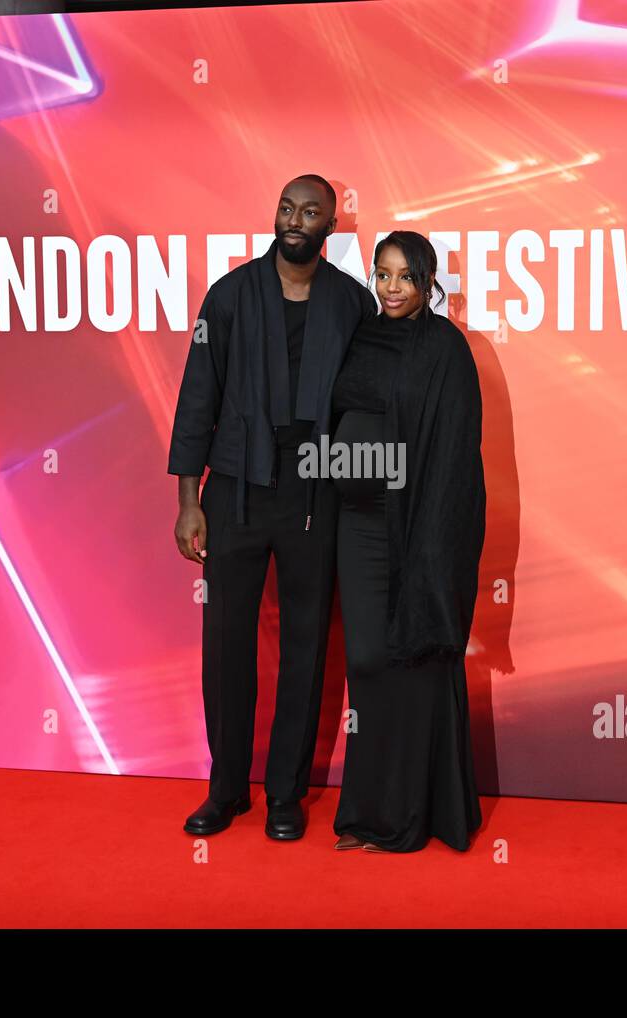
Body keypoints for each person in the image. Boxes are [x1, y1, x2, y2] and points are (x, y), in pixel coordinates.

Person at [168, 175, 377, 840]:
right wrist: (188, 502)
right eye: (287, 208)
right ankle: (226, 790)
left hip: (315, 493)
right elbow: (196, 398)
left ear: (329, 224)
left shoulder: (351, 305)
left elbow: (366, 408)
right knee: (226, 644)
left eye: (309, 211)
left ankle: (287, 795)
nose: (294, 219)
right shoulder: (229, 296)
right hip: (234, 488)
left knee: (306, 646)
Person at [326, 231, 486, 853]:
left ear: (428, 282)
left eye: (406, 277)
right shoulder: (358, 336)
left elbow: (455, 452)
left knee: (413, 658)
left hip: (416, 523)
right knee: (367, 660)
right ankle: (370, 809)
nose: (392, 288)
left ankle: (409, 816)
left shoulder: (445, 347)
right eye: (383, 274)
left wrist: (433, 538)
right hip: (356, 522)